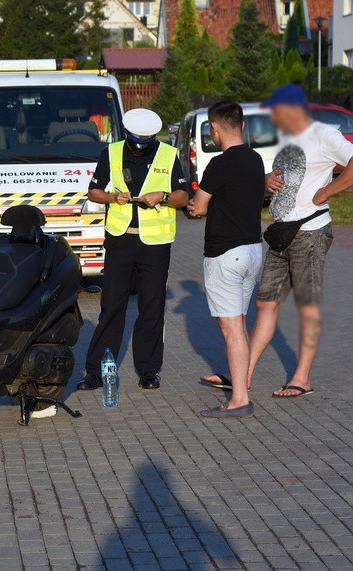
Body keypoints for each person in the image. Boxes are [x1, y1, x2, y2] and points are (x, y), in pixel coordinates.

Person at [200, 84, 353, 398]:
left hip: (310, 232)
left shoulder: (325, 135)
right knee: (263, 304)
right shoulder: (288, 139)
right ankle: (242, 377)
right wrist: (268, 180)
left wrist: (328, 192)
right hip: (281, 234)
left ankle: (302, 377)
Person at [77, 108, 190, 392]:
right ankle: (96, 372)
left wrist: (162, 197)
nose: (141, 147)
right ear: (127, 136)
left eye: (146, 142)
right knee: (111, 306)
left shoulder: (167, 153)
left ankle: (149, 371)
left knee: (151, 307)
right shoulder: (111, 153)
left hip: (155, 244)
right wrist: (114, 197)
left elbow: (182, 195)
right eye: (136, 142)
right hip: (120, 240)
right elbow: (94, 191)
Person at [187, 101, 265, 418]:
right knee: (239, 323)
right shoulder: (256, 159)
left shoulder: (218, 165)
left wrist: (192, 206)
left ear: (215, 128)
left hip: (225, 255)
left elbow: (199, 207)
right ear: (242, 126)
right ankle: (239, 380)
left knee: (230, 327)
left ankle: (239, 400)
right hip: (252, 251)